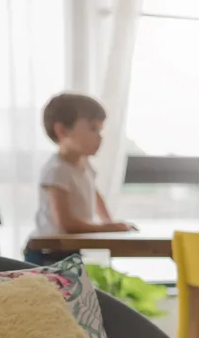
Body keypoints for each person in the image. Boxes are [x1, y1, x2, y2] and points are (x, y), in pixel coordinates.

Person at [27, 92, 134, 265]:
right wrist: (105, 228)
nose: (99, 137)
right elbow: (66, 222)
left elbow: (93, 192)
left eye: (100, 130)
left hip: (69, 249)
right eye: (93, 129)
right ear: (62, 130)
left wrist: (109, 221)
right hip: (47, 254)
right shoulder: (57, 170)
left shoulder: (84, 165)